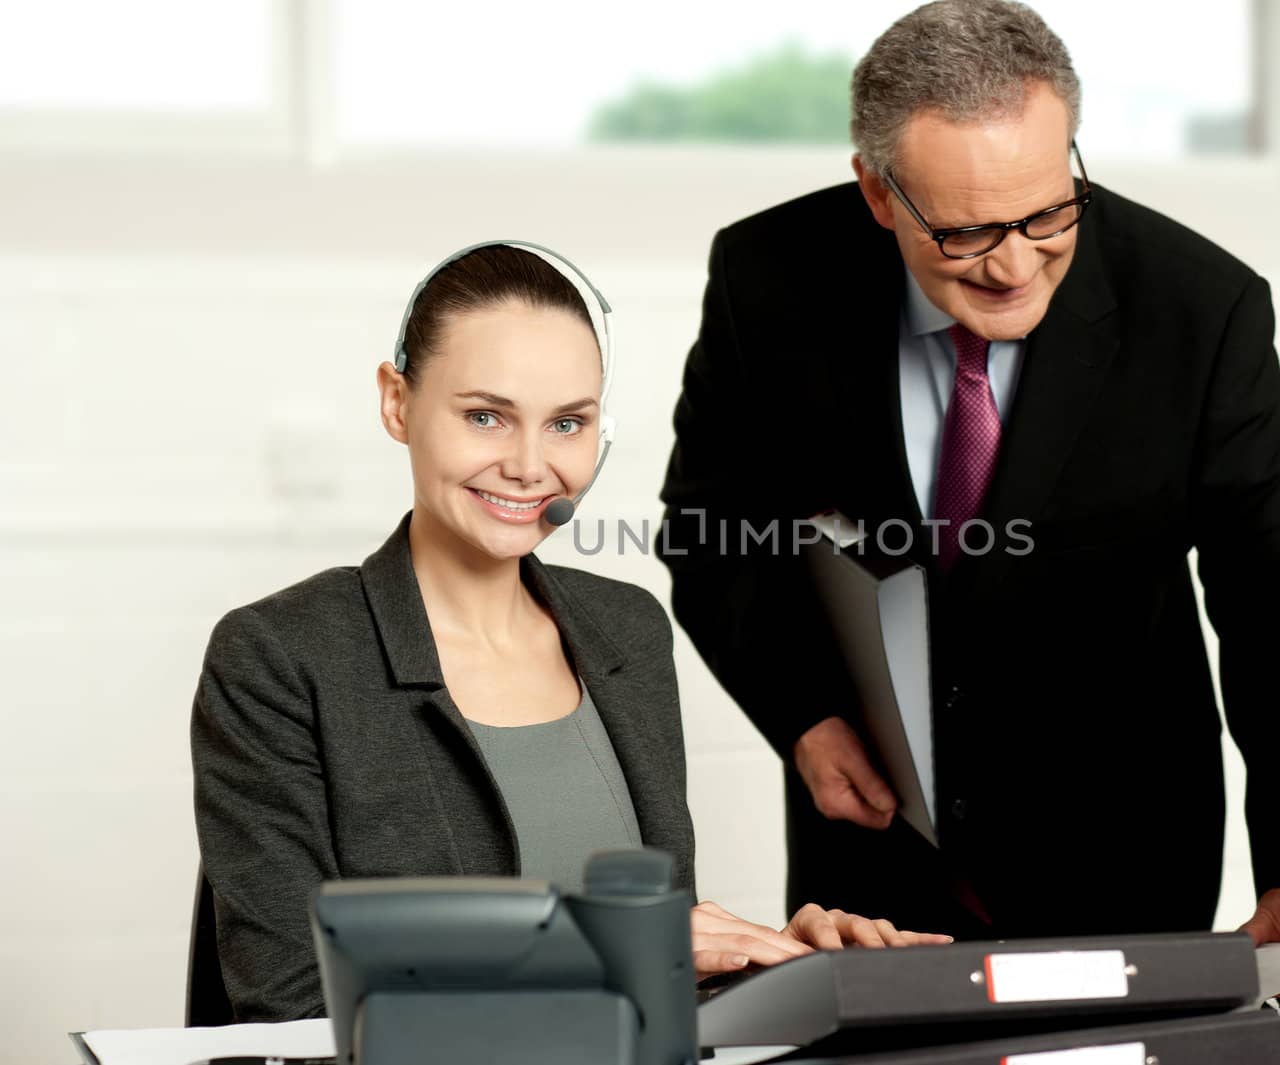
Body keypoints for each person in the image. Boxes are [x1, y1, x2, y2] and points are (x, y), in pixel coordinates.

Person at [657, 0, 1280, 948]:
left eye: (1049, 211)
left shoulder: (1200, 308)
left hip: (1123, 858)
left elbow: (1277, 604)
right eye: (967, 234)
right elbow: (709, 530)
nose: (1017, 265)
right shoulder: (766, 278)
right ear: (877, 192)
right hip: (869, 868)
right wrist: (805, 718)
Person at [190, 241, 948, 1023]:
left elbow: (650, 984)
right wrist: (615, 947)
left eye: (566, 423)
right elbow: (290, 1002)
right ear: (397, 402)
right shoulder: (280, 658)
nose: (528, 464)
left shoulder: (625, 630)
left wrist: (777, 964)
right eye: (485, 416)